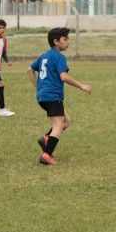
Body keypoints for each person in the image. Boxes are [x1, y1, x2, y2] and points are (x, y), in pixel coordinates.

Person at [27, 27, 92, 165]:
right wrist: (81, 86)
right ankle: (46, 155)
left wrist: (38, 87)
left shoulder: (44, 55)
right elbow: (64, 76)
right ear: (56, 41)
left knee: (66, 121)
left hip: (43, 96)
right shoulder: (59, 57)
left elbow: (30, 70)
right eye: (65, 39)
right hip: (52, 96)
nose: (68, 42)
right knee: (58, 124)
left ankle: (46, 138)